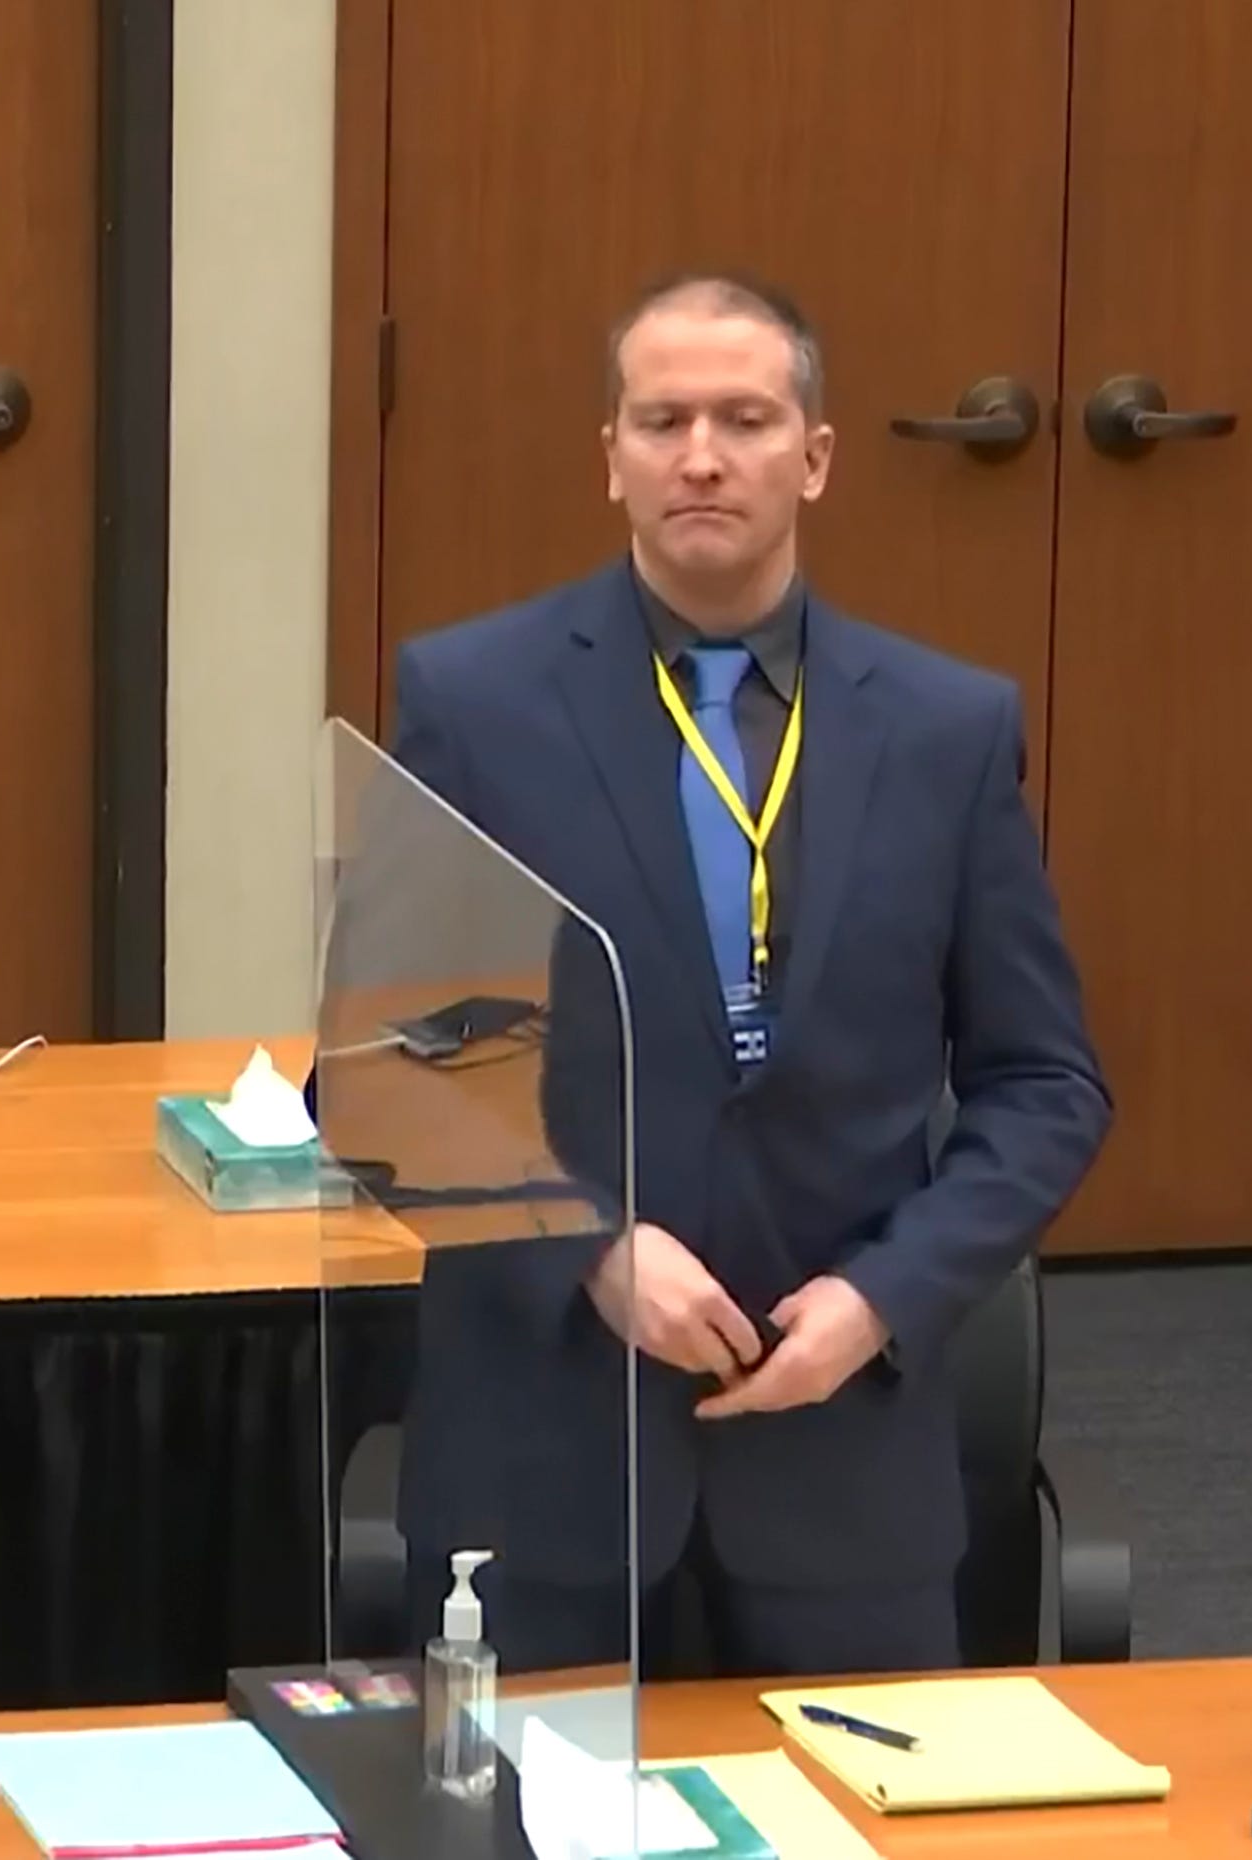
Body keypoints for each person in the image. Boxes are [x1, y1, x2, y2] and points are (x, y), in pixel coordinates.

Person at [385, 274, 1112, 1677]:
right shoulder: (473, 704)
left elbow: (1046, 1085)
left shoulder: (949, 731)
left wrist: (882, 1298)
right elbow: (385, 1067)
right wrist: (588, 1248)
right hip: (547, 1471)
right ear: (611, 457)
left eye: (744, 418)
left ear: (816, 457)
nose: (702, 455)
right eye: (662, 420)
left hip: (844, 1465)